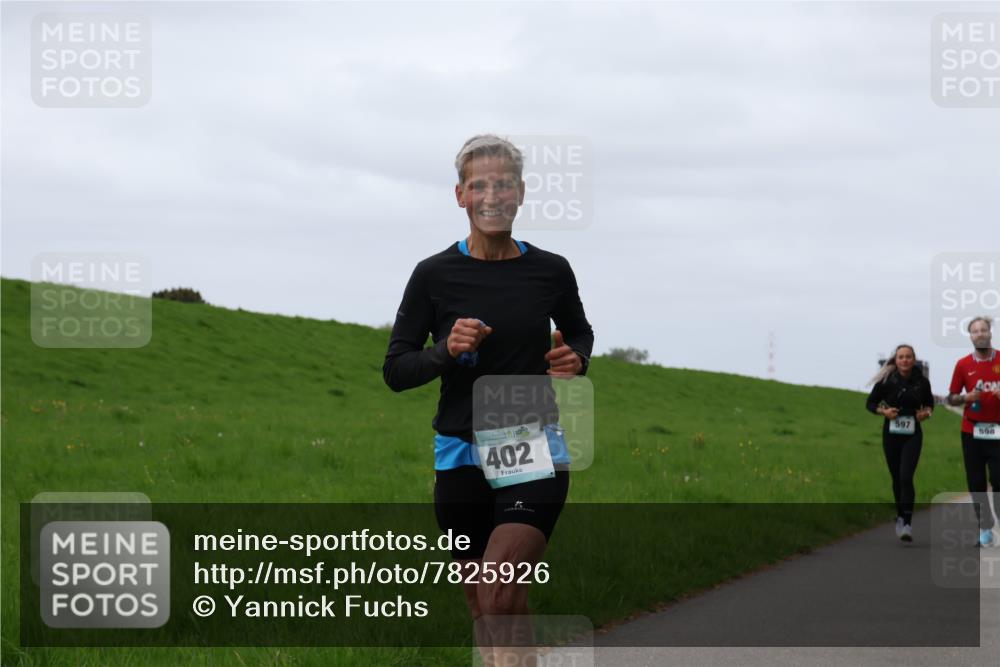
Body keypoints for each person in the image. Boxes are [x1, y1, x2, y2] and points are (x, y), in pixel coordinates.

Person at [383, 134, 594, 664]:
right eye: (480, 184)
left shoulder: (551, 270)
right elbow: (396, 370)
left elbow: (579, 333)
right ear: (461, 195)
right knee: (485, 605)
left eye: (504, 183)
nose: (493, 195)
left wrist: (576, 359)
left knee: (501, 587)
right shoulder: (433, 275)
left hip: (529, 445)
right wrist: (444, 351)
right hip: (458, 450)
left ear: (521, 193)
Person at [866, 344, 934, 542]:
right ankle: (900, 515)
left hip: (913, 434)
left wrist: (926, 413)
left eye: (908, 357)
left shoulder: (922, 382)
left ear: (914, 359)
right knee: (896, 478)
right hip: (891, 433)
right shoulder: (887, 380)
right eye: (901, 357)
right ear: (896, 360)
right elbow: (870, 403)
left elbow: (930, 403)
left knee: (906, 476)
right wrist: (883, 412)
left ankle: (907, 523)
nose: (905, 360)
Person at [946, 316, 1000, 548]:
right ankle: (985, 528)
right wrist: (965, 397)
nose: (980, 334)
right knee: (976, 482)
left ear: (990, 333)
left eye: (983, 330)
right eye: (975, 331)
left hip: (998, 430)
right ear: (971, 336)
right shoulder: (963, 364)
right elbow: (951, 397)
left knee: (998, 480)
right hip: (972, 430)